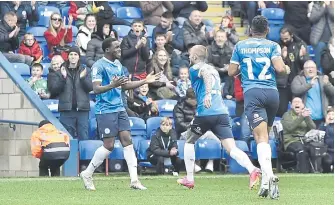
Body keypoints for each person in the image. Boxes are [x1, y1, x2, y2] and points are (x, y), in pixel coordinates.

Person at [80, 38, 161, 191]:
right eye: (116, 47)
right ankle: (88, 173)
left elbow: (125, 86)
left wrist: (144, 81)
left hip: (119, 108)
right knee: (109, 146)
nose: (119, 49)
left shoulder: (118, 65)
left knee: (127, 141)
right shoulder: (99, 66)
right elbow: (96, 89)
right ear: (107, 50)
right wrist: (113, 85)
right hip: (105, 110)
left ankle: (134, 180)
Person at [177, 45, 260, 190]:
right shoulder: (214, 69)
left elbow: (205, 75)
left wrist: (208, 93)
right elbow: (209, 75)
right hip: (222, 113)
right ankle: (252, 169)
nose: (189, 57)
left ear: (195, 57)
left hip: (206, 112)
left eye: (190, 55)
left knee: (189, 141)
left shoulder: (196, 68)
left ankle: (189, 178)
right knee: (231, 148)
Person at [228, 15, 291, 199]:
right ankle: (265, 183)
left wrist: (246, 68)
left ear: (250, 30)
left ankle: (269, 176)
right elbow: (280, 69)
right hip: (272, 93)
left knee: (260, 137)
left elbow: (231, 71)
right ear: (268, 30)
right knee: (265, 136)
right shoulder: (272, 46)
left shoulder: (240, 46)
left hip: (253, 93)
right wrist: (286, 68)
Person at [47, 47, 93, 141]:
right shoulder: (59, 72)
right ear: (67, 57)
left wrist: (83, 78)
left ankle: (83, 156)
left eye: (75, 54)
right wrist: (63, 78)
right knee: (67, 139)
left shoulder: (85, 70)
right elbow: (53, 89)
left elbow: (90, 88)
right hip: (66, 110)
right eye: (71, 54)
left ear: (79, 57)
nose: (73, 56)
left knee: (83, 138)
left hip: (82, 110)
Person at [281, 97, 316, 173]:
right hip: (291, 141)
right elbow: (290, 127)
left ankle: (317, 170)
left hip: (304, 140)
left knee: (315, 148)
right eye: (294, 102)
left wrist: (307, 117)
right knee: (301, 149)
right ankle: (303, 172)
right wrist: (301, 117)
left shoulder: (305, 115)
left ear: (303, 105)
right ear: (291, 105)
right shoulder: (287, 115)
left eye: (299, 102)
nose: (297, 103)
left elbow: (313, 128)